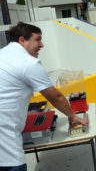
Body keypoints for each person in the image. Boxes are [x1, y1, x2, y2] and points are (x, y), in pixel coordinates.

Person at [0, 22, 88, 171]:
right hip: (5, 135)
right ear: (22, 40)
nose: (42, 45)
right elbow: (56, 97)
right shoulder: (28, 63)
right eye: (38, 39)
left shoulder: (3, 54)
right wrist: (73, 116)